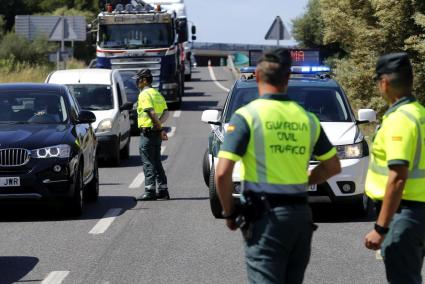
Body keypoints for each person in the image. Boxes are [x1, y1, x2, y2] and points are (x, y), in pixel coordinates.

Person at [215, 48, 341, 284]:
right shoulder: (307, 118)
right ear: (288, 79)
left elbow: (222, 173)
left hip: (266, 217)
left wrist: (230, 213)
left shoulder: (247, 116)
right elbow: (333, 166)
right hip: (300, 217)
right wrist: (306, 181)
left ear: (259, 77)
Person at [364, 52, 425, 283]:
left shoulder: (400, 120)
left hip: (403, 215)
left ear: (384, 83)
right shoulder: (420, 114)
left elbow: (398, 177)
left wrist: (380, 228)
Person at [133, 68, 170, 201]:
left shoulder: (144, 94)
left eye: (138, 79)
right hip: (155, 133)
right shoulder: (156, 93)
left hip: (148, 134)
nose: (137, 82)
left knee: (148, 162)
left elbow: (151, 112)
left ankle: (150, 191)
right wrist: (159, 126)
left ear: (144, 80)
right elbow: (166, 112)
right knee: (157, 162)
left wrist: (159, 128)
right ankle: (163, 190)